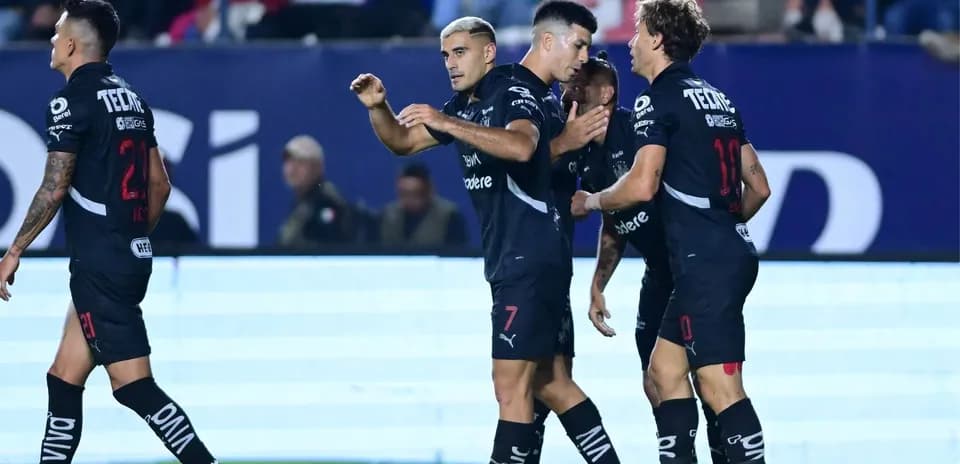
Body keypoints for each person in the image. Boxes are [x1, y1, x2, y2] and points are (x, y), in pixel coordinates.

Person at [350, 12, 619, 463]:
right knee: (547, 385)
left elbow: (521, 146)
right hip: (533, 259)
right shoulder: (477, 100)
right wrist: (379, 107)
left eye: (460, 53)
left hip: (525, 259)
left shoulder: (513, 92)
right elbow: (402, 141)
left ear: (488, 52)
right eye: (445, 56)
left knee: (512, 388)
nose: (450, 64)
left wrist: (449, 124)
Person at [0, 2, 217, 462]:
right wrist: (131, 235)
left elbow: (55, 186)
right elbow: (160, 183)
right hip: (123, 256)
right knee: (63, 378)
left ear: (74, 44)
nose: (53, 41)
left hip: (100, 264)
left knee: (134, 386)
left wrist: (14, 249)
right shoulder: (133, 99)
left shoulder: (69, 102)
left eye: (58, 34)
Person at [571, 1, 772, 462]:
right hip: (722, 253)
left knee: (721, 388)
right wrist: (722, 228)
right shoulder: (718, 98)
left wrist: (592, 200)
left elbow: (643, 185)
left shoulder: (655, 100)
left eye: (639, 31)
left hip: (704, 262)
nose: (632, 43)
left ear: (658, 39)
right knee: (663, 370)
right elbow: (759, 186)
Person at [379, 162, 468, 249]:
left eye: (416, 194)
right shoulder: (388, 216)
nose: (410, 199)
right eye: (404, 194)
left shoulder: (449, 216)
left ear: (429, 190)